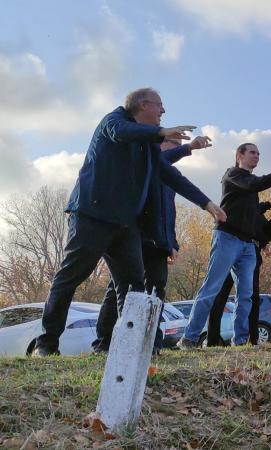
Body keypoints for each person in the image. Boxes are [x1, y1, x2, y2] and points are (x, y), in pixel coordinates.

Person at [33, 88, 225, 357]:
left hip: (125, 225)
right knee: (70, 277)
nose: (163, 112)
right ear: (143, 105)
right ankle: (47, 343)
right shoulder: (113, 121)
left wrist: (206, 203)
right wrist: (161, 133)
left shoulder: (148, 146)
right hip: (92, 216)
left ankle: (130, 346)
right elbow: (122, 133)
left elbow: (169, 174)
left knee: (134, 287)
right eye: (160, 106)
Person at [93, 135, 213, 353]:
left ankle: (152, 342)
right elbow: (161, 159)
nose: (176, 149)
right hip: (132, 238)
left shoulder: (170, 177)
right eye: (173, 144)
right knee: (120, 288)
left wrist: (173, 243)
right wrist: (188, 147)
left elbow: (169, 211)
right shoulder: (144, 162)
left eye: (178, 145)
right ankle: (104, 342)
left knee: (157, 289)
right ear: (160, 144)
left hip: (158, 242)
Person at [177, 143, 271, 348]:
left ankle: (240, 341)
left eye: (259, 153)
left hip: (248, 246)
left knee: (246, 295)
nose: (257, 156)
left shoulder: (249, 186)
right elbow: (254, 184)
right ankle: (189, 338)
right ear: (239, 155)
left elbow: (250, 211)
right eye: (252, 152)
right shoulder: (233, 174)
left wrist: (269, 209)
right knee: (211, 288)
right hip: (227, 239)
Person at [206, 199, 271, 346]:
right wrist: (267, 205)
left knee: (250, 296)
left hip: (250, 256)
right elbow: (249, 225)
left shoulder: (257, 213)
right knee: (219, 295)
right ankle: (212, 340)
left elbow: (262, 232)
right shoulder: (239, 204)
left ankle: (250, 339)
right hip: (231, 252)